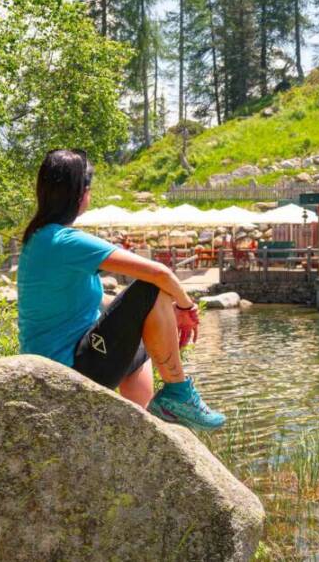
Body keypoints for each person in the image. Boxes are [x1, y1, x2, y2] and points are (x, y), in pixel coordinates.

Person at [17, 149, 225, 432]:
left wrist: (157, 313)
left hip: (59, 366)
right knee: (150, 288)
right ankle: (178, 393)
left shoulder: (39, 239)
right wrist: (186, 308)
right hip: (70, 370)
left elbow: (95, 301)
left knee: (143, 331)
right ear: (80, 194)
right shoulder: (64, 241)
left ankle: (146, 423)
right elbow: (159, 274)